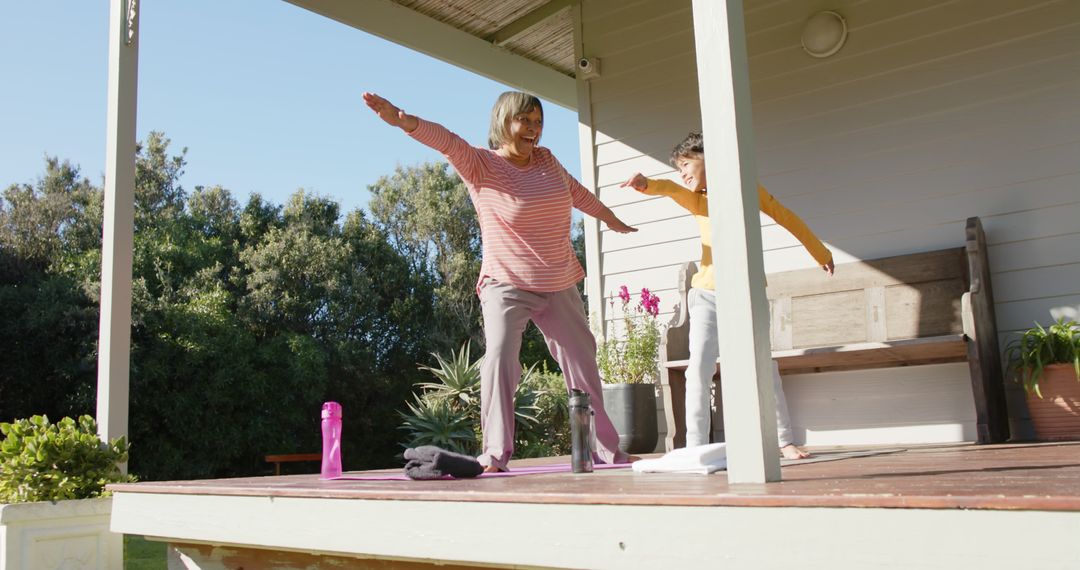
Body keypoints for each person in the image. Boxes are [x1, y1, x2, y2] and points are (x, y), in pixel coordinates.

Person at [363, 91, 639, 472]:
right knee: (499, 358)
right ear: (503, 122)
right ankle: (494, 454)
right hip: (507, 282)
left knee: (582, 362)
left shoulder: (547, 161)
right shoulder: (481, 165)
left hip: (558, 280)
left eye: (538, 122)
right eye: (524, 120)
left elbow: (577, 193)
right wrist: (403, 120)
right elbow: (446, 140)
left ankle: (607, 450)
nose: (533, 129)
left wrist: (609, 217)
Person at [621, 132, 834, 459]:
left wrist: (819, 252)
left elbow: (785, 216)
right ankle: (695, 448)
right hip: (706, 295)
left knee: (764, 367)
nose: (683, 173)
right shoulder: (696, 199)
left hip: (748, 293)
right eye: (679, 167)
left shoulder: (747, 191)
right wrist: (646, 183)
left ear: (710, 158)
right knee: (699, 369)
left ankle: (783, 440)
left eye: (687, 163)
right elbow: (671, 188)